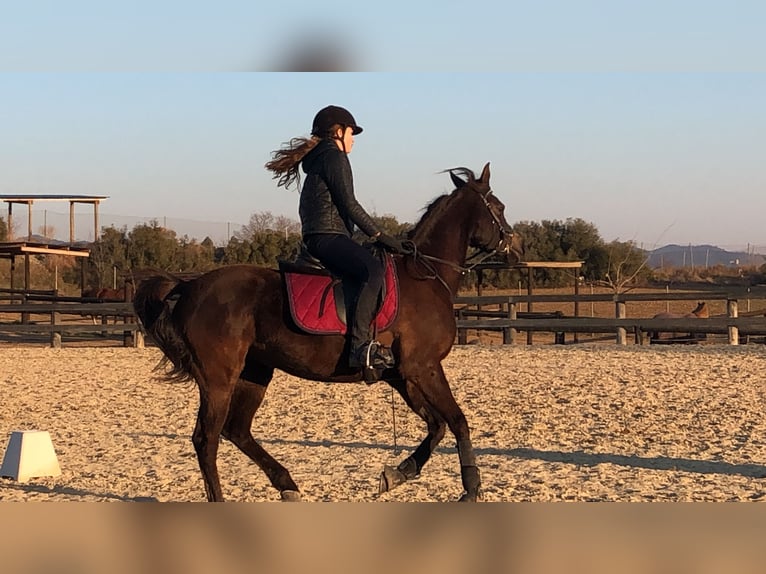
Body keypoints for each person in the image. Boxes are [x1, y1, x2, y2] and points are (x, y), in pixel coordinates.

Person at [265, 105, 409, 370]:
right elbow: (350, 204)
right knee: (373, 271)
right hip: (327, 236)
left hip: (323, 234)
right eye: (351, 133)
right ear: (338, 132)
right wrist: (380, 235)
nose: (353, 139)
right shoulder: (334, 157)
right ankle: (359, 347)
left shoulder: (320, 159)